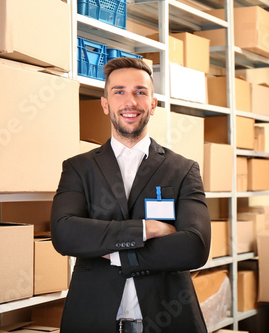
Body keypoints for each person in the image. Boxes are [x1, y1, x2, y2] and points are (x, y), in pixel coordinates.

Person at [50, 57, 211, 333]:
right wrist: (145, 229)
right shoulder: (78, 168)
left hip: (169, 320)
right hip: (92, 321)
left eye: (140, 92)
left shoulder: (183, 169)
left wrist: (115, 254)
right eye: (119, 91)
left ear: (153, 104)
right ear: (105, 104)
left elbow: (194, 246)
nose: (130, 102)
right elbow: (65, 233)